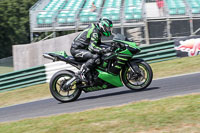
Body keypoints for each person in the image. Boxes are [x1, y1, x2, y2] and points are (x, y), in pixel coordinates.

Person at [70, 18, 113, 84]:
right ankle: (81, 73)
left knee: (99, 55)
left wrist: (110, 47)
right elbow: (92, 47)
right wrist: (104, 50)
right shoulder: (95, 32)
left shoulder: (98, 31)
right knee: (95, 56)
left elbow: (98, 44)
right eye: (108, 28)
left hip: (83, 48)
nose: (109, 30)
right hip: (76, 50)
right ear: (103, 26)